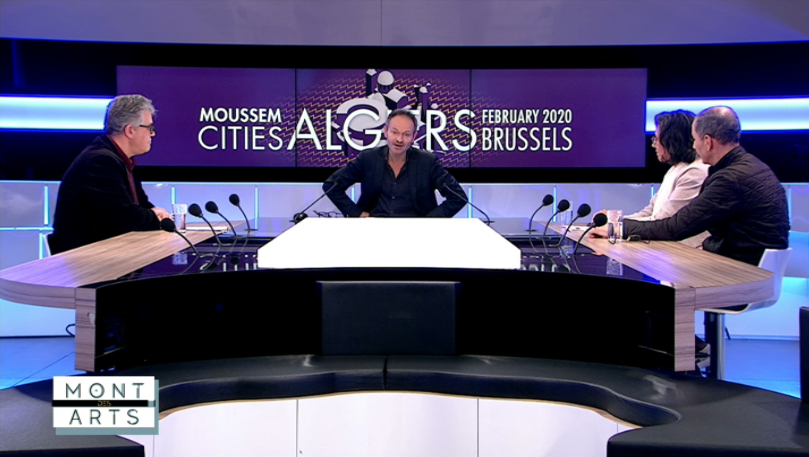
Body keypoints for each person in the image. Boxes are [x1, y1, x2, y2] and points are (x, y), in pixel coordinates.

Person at [594, 106, 789, 266]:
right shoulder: (749, 165)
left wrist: (616, 228)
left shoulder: (730, 179)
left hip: (742, 273)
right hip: (746, 266)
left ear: (707, 141)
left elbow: (675, 228)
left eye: (695, 140)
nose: (694, 146)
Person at [49, 95, 171, 254]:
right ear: (130, 130)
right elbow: (127, 218)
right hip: (85, 258)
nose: (152, 134)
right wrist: (155, 216)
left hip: (109, 252)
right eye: (149, 128)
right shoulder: (99, 161)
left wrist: (155, 214)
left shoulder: (122, 159)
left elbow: (140, 206)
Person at [323, 109, 466, 218]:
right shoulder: (368, 159)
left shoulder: (427, 163)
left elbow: (458, 197)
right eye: (395, 132)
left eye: (406, 134)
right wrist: (356, 213)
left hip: (416, 235)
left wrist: (428, 222)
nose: (399, 139)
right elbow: (331, 186)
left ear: (414, 137)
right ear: (386, 131)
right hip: (374, 232)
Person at [622, 110, 710, 248]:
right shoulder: (675, 169)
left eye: (657, 139)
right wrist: (614, 221)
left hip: (687, 253)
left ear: (672, 141)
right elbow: (650, 212)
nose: (653, 145)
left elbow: (663, 222)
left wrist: (617, 227)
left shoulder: (695, 172)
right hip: (667, 249)